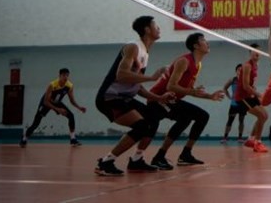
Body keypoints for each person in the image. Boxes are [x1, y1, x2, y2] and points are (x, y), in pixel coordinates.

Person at [94, 16, 173, 176]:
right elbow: (122, 75)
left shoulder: (145, 52)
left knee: (153, 118)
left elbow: (135, 85)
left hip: (125, 98)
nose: (159, 28)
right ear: (146, 29)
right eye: (155, 25)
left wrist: (159, 98)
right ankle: (106, 162)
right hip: (109, 98)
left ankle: (137, 160)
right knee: (142, 126)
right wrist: (152, 77)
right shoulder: (133, 47)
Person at [146, 32, 224, 170]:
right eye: (204, 40)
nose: (207, 43)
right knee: (197, 117)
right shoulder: (184, 61)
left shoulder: (198, 65)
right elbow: (171, 86)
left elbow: (188, 89)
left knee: (194, 118)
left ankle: (181, 155)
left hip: (172, 99)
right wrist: (192, 91)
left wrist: (210, 96)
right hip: (158, 98)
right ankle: (161, 157)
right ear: (195, 46)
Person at [20, 67, 86, 147]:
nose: (66, 77)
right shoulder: (52, 85)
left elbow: (71, 100)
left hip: (57, 102)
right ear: (60, 76)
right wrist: (57, 109)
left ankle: (73, 139)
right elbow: (46, 101)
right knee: (36, 123)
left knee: (71, 116)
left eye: (67, 75)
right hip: (46, 102)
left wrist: (79, 107)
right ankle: (24, 138)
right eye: (64, 75)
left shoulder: (69, 86)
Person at [235, 43, 269, 152]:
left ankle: (250, 139)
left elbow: (251, 84)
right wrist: (259, 94)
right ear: (250, 53)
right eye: (254, 51)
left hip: (249, 95)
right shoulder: (247, 66)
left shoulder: (256, 66)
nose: (257, 53)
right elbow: (245, 86)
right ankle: (257, 143)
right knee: (262, 116)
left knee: (265, 115)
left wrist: (255, 94)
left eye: (258, 51)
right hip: (242, 96)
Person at [221, 63, 248, 143]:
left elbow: (250, 89)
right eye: (239, 70)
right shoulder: (233, 79)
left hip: (243, 104)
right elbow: (225, 88)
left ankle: (240, 137)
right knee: (230, 120)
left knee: (241, 120)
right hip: (234, 104)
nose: (240, 71)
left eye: (242, 70)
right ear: (236, 71)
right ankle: (225, 137)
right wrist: (229, 97)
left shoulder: (246, 80)